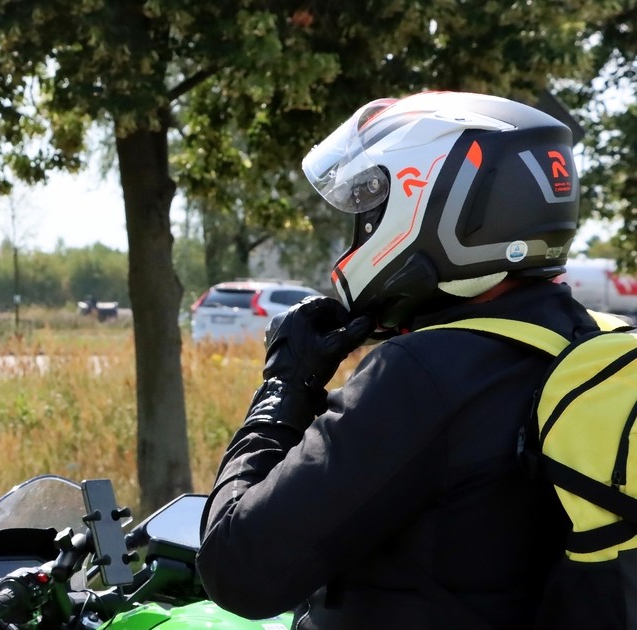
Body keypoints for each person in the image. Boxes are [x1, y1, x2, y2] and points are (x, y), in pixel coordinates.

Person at [196, 91, 594, 628]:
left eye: (370, 205)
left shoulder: (425, 374)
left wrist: (284, 388)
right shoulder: (581, 344)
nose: (362, 226)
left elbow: (237, 567)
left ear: (437, 203)